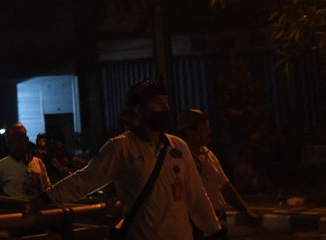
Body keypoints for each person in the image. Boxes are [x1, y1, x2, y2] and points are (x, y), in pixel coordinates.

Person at [36, 79, 222, 240]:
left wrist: (214, 230)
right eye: (158, 104)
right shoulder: (121, 147)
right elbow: (85, 180)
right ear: (139, 109)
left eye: (166, 103)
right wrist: (45, 198)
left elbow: (196, 195)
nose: (166, 109)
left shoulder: (178, 147)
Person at [178, 109, 259, 238]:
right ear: (190, 132)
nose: (209, 132)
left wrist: (246, 211)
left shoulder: (209, 155)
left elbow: (225, 187)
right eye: (204, 128)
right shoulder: (178, 159)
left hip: (218, 220)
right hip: (196, 225)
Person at [0, 123, 50, 199]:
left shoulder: (38, 162)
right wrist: (6, 200)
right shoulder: (2, 165)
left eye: (18, 140)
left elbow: (47, 187)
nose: (14, 144)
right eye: (11, 142)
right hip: (15, 210)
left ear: (26, 140)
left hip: (38, 209)